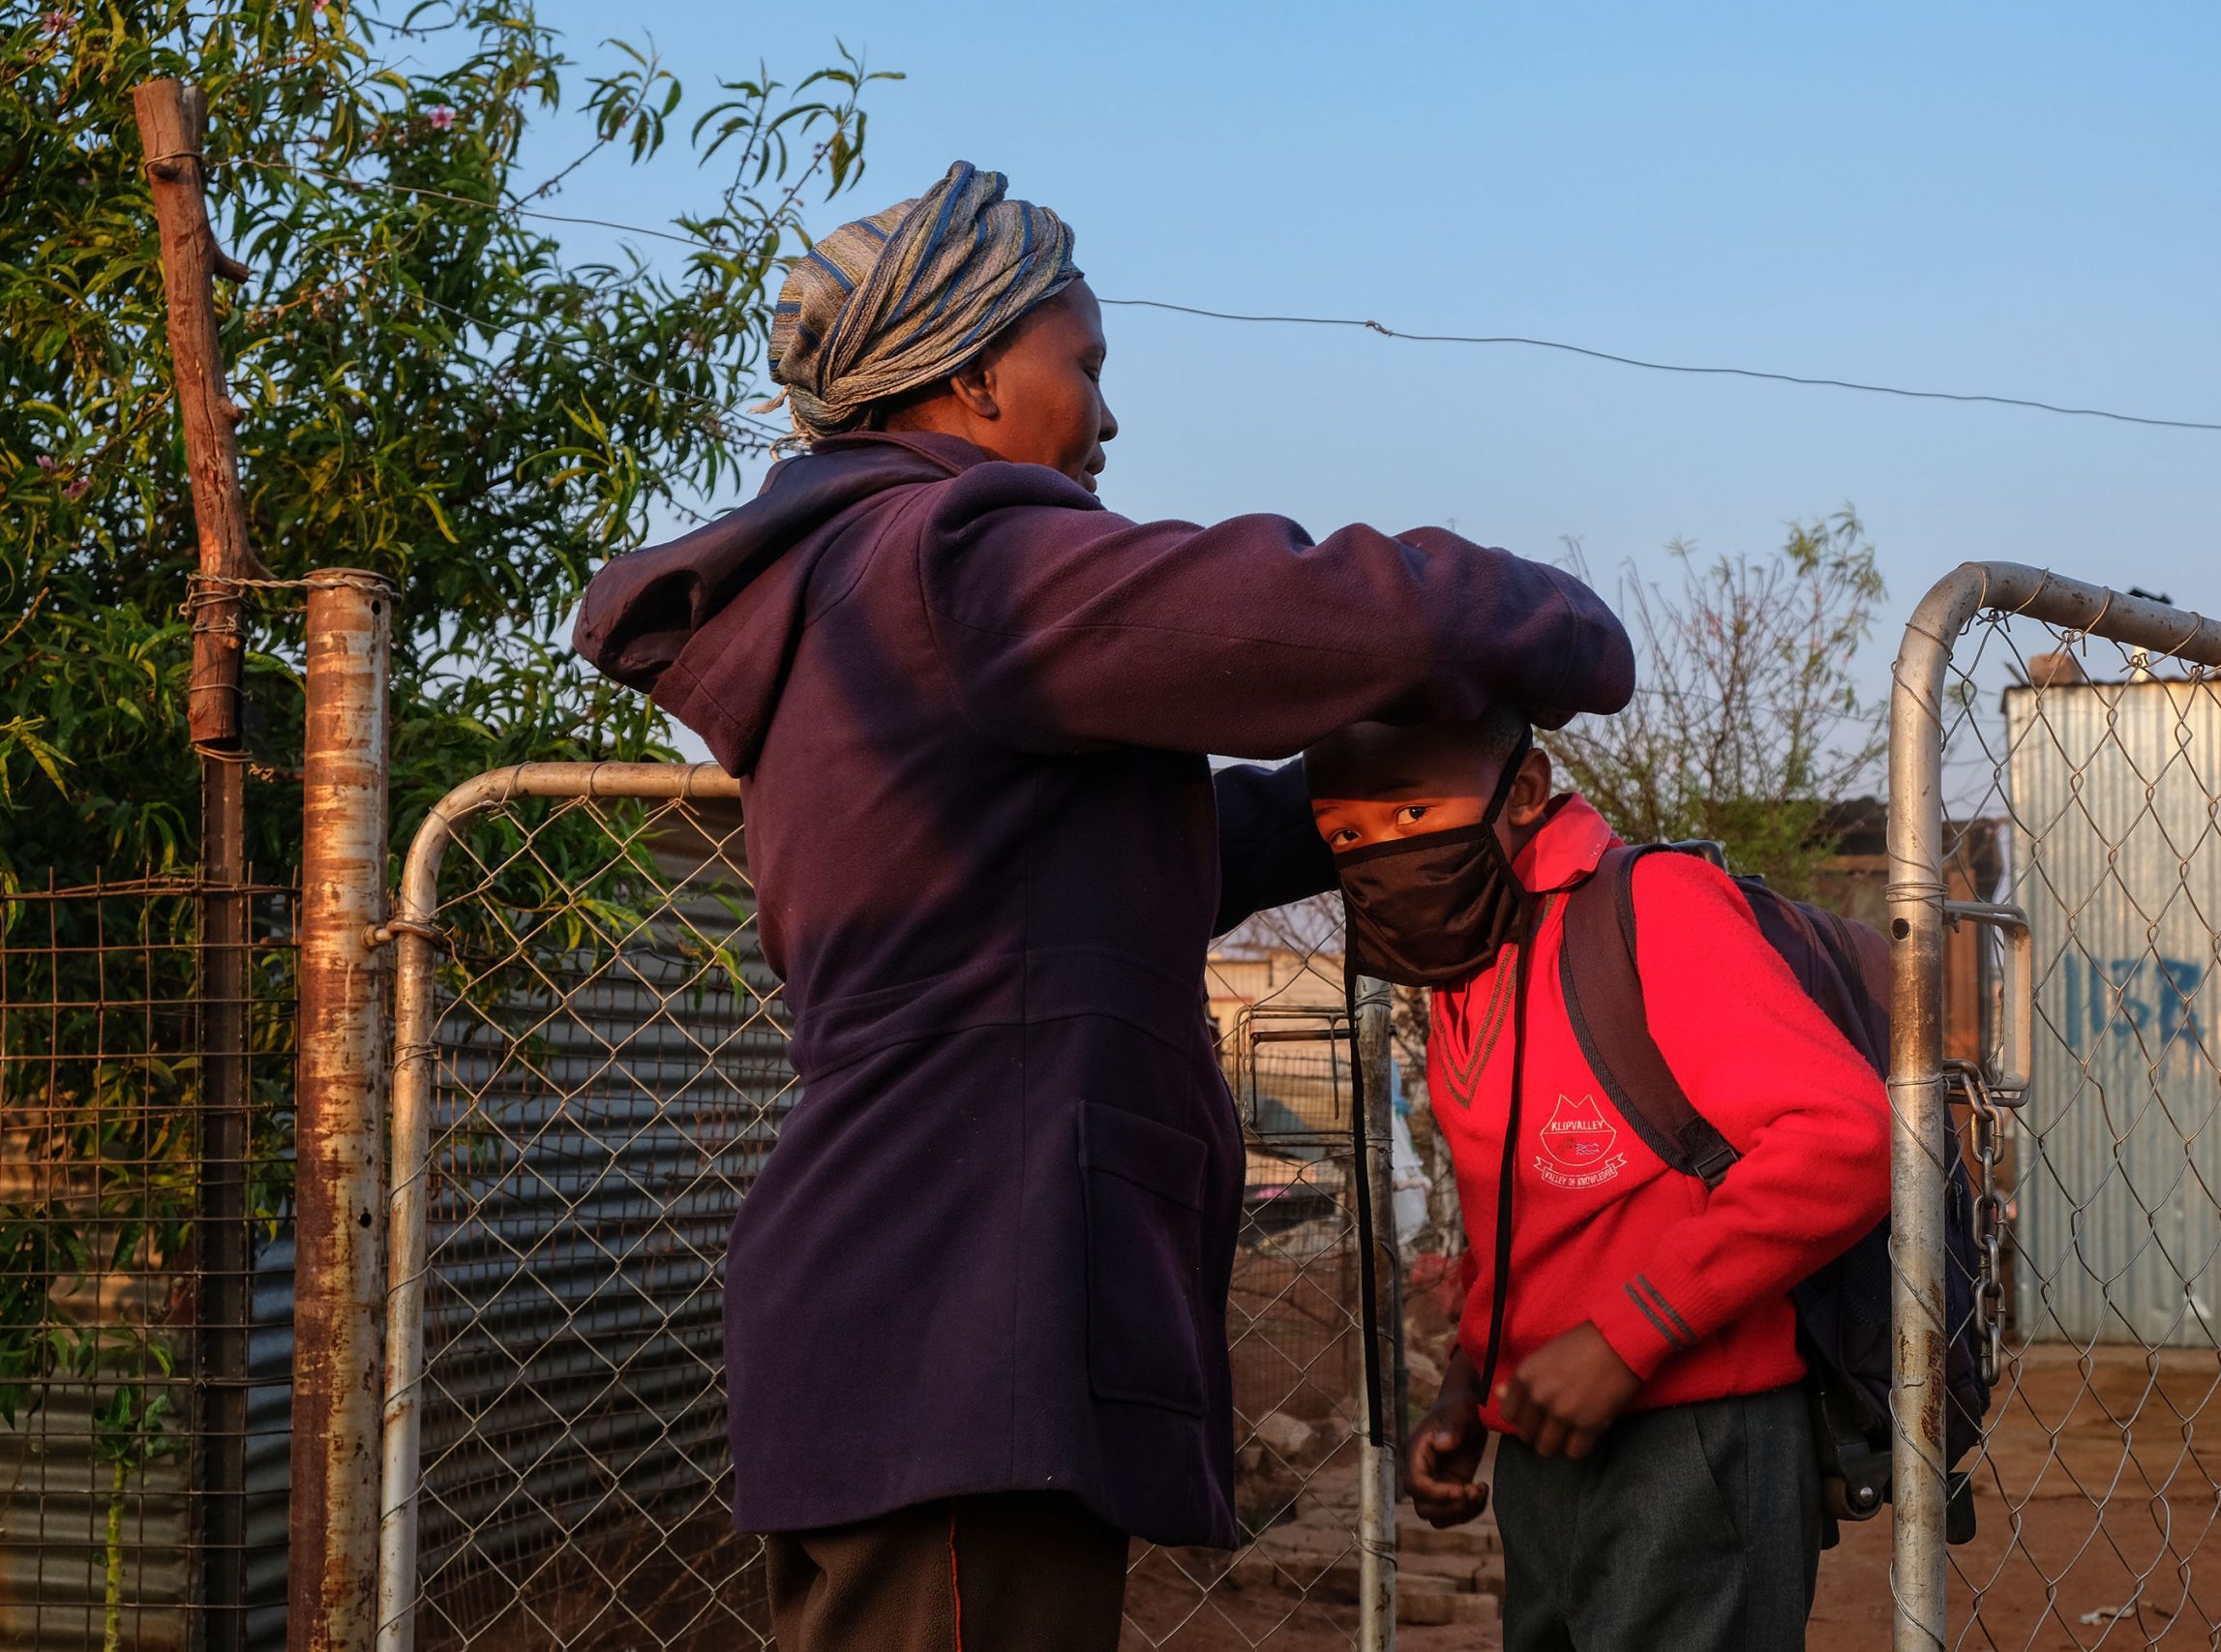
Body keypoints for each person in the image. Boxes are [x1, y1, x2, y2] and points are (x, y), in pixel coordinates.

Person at [572, 162, 1636, 1652]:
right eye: (1085, 365)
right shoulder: (948, 559)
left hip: (908, 1305)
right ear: (967, 370)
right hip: (962, 1308)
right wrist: (1554, 621)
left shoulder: (862, 604)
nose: (1109, 418)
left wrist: (1347, 814)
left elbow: (1092, 887)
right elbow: (1290, 611)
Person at [1304, 707, 1890, 1652]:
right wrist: (1468, 1384)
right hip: (1547, 1442)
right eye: (1343, 836)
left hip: (1692, 1435)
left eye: (1410, 819)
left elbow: (1844, 1137)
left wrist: (1627, 1336)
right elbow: (1532, 1217)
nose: (1377, 854)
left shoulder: (1651, 907)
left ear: (1525, 793)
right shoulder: (1464, 962)